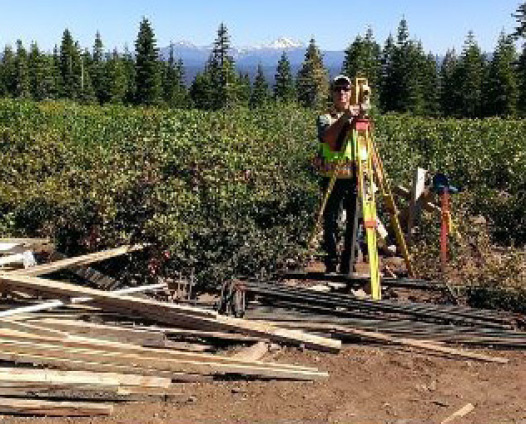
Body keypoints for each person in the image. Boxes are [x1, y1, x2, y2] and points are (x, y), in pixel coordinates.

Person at [315, 75, 360, 274]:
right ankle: (331, 262)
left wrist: (358, 118)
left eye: (346, 89)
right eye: (338, 89)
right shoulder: (326, 117)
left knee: (354, 219)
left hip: (354, 176)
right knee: (330, 220)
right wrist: (345, 119)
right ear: (332, 93)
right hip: (332, 176)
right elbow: (328, 139)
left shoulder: (360, 118)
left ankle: (348, 262)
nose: (342, 93)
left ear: (352, 92)